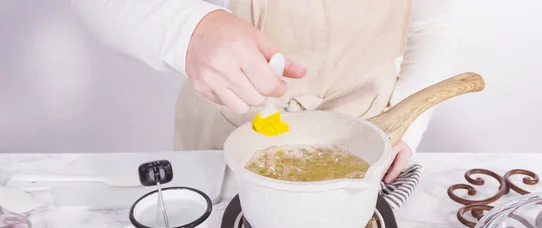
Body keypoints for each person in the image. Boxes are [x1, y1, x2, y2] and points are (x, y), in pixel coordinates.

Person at [71, 0, 460, 183]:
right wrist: (192, 33)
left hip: (367, 125)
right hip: (224, 127)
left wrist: (407, 125)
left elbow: (434, 28)